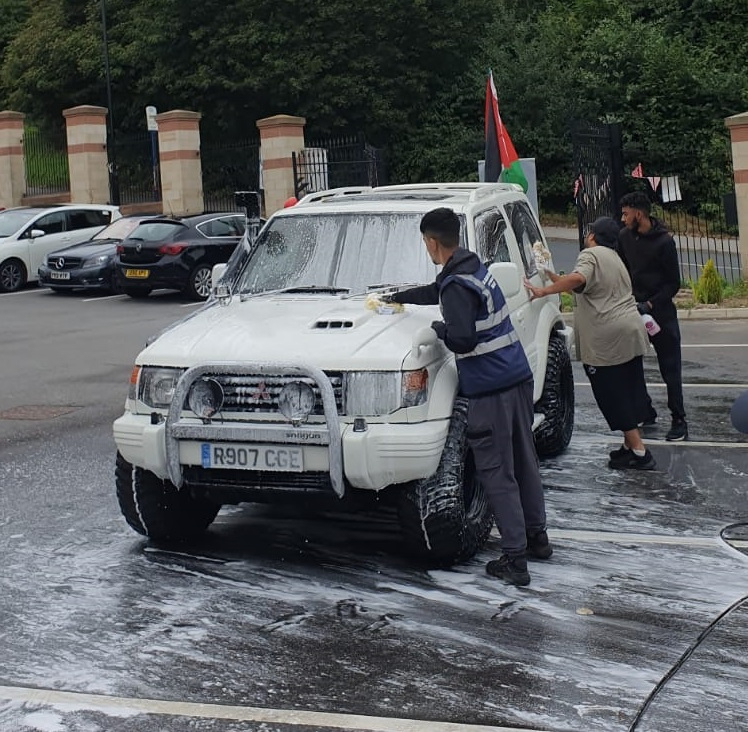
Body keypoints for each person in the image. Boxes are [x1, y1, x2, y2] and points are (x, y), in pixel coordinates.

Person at [384, 207, 550, 587]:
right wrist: (399, 296)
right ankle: (537, 539)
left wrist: (437, 329)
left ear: (431, 241)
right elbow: (437, 290)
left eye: (424, 242)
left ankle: (514, 559)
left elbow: (463, 338)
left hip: (490, 390)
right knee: (524, 462)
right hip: (517, 378)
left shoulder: (456, 285)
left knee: (496, 472)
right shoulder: (472, 268)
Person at [524, 216, 656, 470]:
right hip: (630, 332)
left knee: (611, 394)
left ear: (593, 236)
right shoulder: (614, 257)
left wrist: (542, 291)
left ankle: (640, 452)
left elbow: (577, 279)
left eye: (590, 232)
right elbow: (581, 285)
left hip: (607, 339)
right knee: (628, 389)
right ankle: (628, 446)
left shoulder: (590, 255)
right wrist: (551, 276)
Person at [618, 191, 687, 441]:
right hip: (633, 312)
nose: (622, 218)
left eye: (626, 214)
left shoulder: (664, 242)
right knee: (632, 363)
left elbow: (673, 283)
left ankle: (679, 419)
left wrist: (650, 303)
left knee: (670, 368)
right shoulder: (624, 237)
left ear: (639, 213)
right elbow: (623, 270)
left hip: (661, 314)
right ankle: (645, 411)